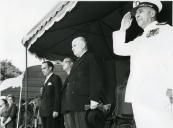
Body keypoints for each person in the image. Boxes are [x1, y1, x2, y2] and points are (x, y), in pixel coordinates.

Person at [112, 1, 173, 128]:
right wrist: (123, 29)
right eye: (136, 13)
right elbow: (120, 50)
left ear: (152, 13)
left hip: (158, 92)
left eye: (140, 11)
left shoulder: (166, 30)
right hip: (139, 95)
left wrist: (171, 85)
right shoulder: (140, 38)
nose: (137, 15)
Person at [61, 37, 103, 128]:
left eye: (74, 45)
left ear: (83, 45)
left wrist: (94, 98)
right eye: (72, 46)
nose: (72, 48)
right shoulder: (76, 62)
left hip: (84, 102)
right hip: (73, 104)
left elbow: (96, 78)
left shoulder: (91, 57)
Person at [40, 61, 62, 128]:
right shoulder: (45, 80)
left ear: (50, 68)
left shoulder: (56, 78)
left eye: (44, 68)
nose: (42, 70)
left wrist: (56, 110)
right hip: (44, 112)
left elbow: (58, 95)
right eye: (42, 69)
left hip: (51, 112)